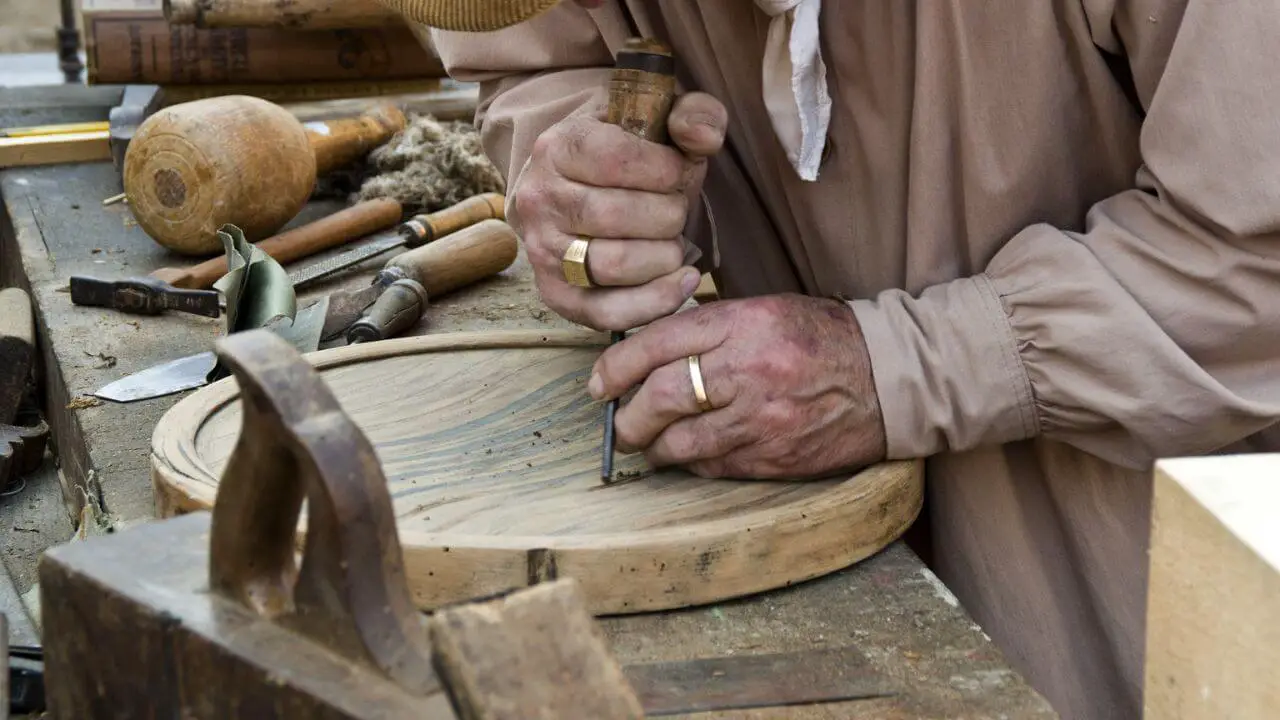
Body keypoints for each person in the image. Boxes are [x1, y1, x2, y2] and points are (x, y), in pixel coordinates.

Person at [425, 1, 1280, 717]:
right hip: (824, 562)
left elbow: (1252, 262)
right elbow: (536, 54)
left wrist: (897, 368)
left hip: (1160, 583)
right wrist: (590, 178)